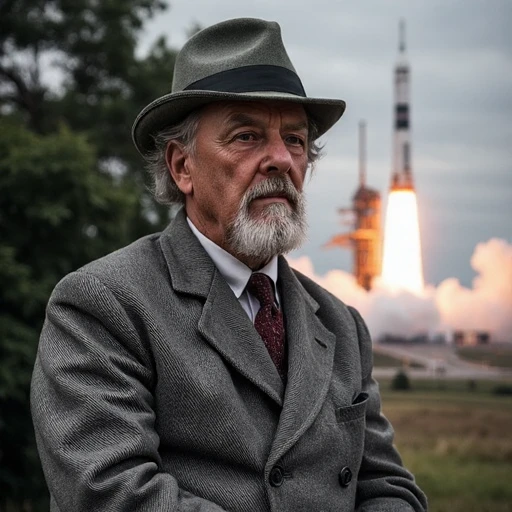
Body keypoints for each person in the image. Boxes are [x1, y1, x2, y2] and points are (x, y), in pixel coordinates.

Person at [31, 17, 427, 512]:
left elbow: (389, 488)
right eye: (246, 137)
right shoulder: (103, 305)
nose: (281, 159)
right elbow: (109, 493)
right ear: (182, 167)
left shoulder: (342, 327)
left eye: (297, 141)